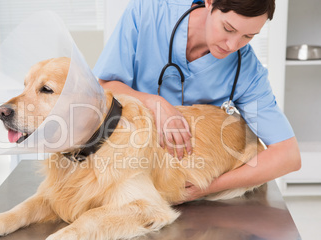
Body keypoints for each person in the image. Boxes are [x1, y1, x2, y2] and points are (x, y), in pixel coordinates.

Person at [93, 0, 301, 202]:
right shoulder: (148, 12)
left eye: (248, 36)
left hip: (188, 179)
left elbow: (288, 156)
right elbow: (103, 87)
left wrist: (209, 186)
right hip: (127, 164)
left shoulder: (246, 70)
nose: (232, 45)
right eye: (228, 28)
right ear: (209, 3)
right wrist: (154, 103)